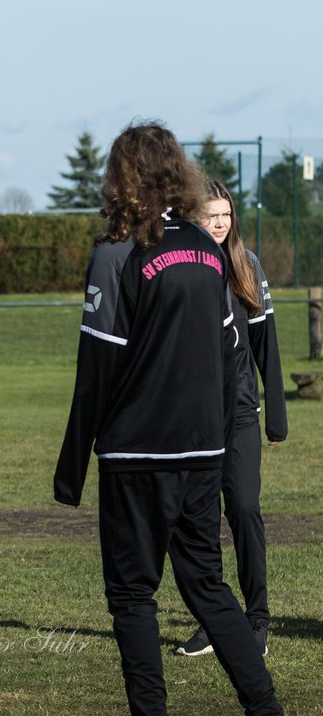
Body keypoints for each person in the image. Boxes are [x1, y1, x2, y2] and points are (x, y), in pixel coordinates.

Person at [53, 121, 302, 716]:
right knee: (209, 588)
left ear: (122, 177)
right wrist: (222, 441)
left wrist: (70, 465)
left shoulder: (116, 252)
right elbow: (231, 359)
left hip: (138, 456)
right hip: (203, 451)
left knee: (132, 593)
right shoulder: (205, 249)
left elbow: (96, 371)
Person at [173, 179, 287, 658]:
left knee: (242, 508)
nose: (218, 224)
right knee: (198, 522)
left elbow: (266, 343)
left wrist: (275, 414)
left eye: (225, 215)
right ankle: (215, 621)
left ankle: (256, 620)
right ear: (191, 219)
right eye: (208, 216)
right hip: (194, 419)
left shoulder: (247, 264)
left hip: (239, 414)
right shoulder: (179, 265)